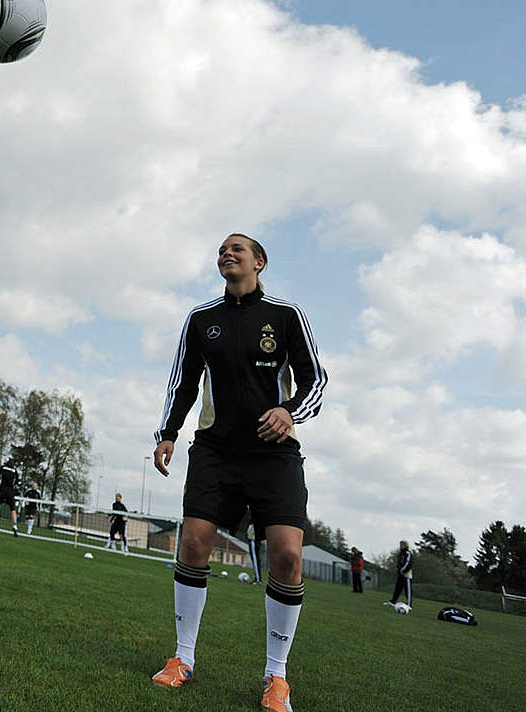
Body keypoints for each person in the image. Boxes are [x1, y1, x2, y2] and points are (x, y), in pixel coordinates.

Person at [148, 233, 327, 712]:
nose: (227, 255)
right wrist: (168, 432)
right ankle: (183, 658)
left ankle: (276, 676)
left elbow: (316, 381)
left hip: (274, 454)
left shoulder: (287, 317)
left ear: (259, 262)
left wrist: (289, 411)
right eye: (221, 252)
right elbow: (183, 382)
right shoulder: (201, 320)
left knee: (288, 556)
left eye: (237, 250)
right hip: (215, 450)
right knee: (192, 541)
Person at [387, 540, 414, 609]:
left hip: (407, 574)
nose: (401, 546)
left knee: (407, 590)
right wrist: (399, 570)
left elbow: (408, 563)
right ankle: (393, 601)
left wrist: (403, 570)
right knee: (398, 588)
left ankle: (409, 604)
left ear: (406, 545)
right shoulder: (400, 554)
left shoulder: (408, 553)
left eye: (402, 545)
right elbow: (398, 563)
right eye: (400, 545)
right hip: (400, 574)